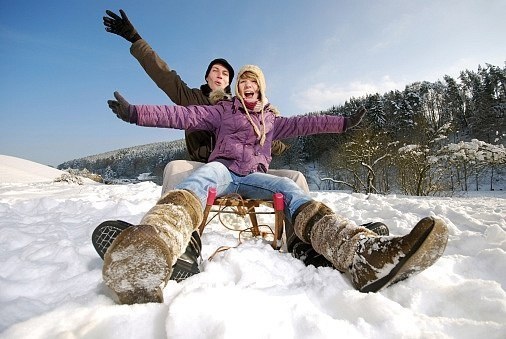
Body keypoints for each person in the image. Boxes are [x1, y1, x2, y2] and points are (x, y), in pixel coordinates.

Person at [103, 64, 449, 305]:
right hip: (222, 169)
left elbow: (306, 123)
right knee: (201, 177)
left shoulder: (271, 120)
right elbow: (181, 115)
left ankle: (359, 254)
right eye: (242, 80)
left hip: (253, 176)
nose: (245, 83)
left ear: (261, 86)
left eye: (252, 79)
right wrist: (136, 113)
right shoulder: (222, 111)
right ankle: (156, 245)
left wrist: (341, 123)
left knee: (293, 189)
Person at [102, 9, 309, 193]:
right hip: (205, 168)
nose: (220, 75)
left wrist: (288, 134)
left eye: (226, 73)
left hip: (247, 171)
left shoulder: (243, 111)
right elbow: (164, 75)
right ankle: (175, 229)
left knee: (296, 178)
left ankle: (300, 235)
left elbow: (269, 139)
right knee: (174, 168)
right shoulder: (192, 98)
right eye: (215, 71)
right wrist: (136, 40)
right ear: (207, 77)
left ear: (230, 83)